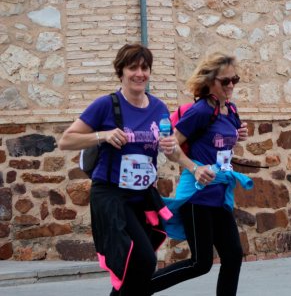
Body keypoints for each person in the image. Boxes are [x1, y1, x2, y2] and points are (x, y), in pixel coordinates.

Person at [58, 43, 182, 296]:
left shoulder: (159, 108)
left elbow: (171, 151)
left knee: (136, 268)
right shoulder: (106, 104)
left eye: (145, 68)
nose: (140, 74)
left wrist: (171, 148)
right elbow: (66, 140)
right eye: (132, 67)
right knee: (144, 261)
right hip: (111, 196)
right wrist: (102, 135)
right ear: (121, 71)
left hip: (142, 196)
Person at [151, 52, 252, 296]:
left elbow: (217, 145)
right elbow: (171, 146)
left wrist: (237, 136)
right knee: (201, 263)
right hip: (197, 196)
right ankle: (134, 289)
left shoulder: (230, 109)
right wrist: (195, 168)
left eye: (234, 80)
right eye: (224, 81)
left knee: (233, 256)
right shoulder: (200, 111)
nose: (230, 86)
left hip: (219, 194)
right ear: (209, 82)